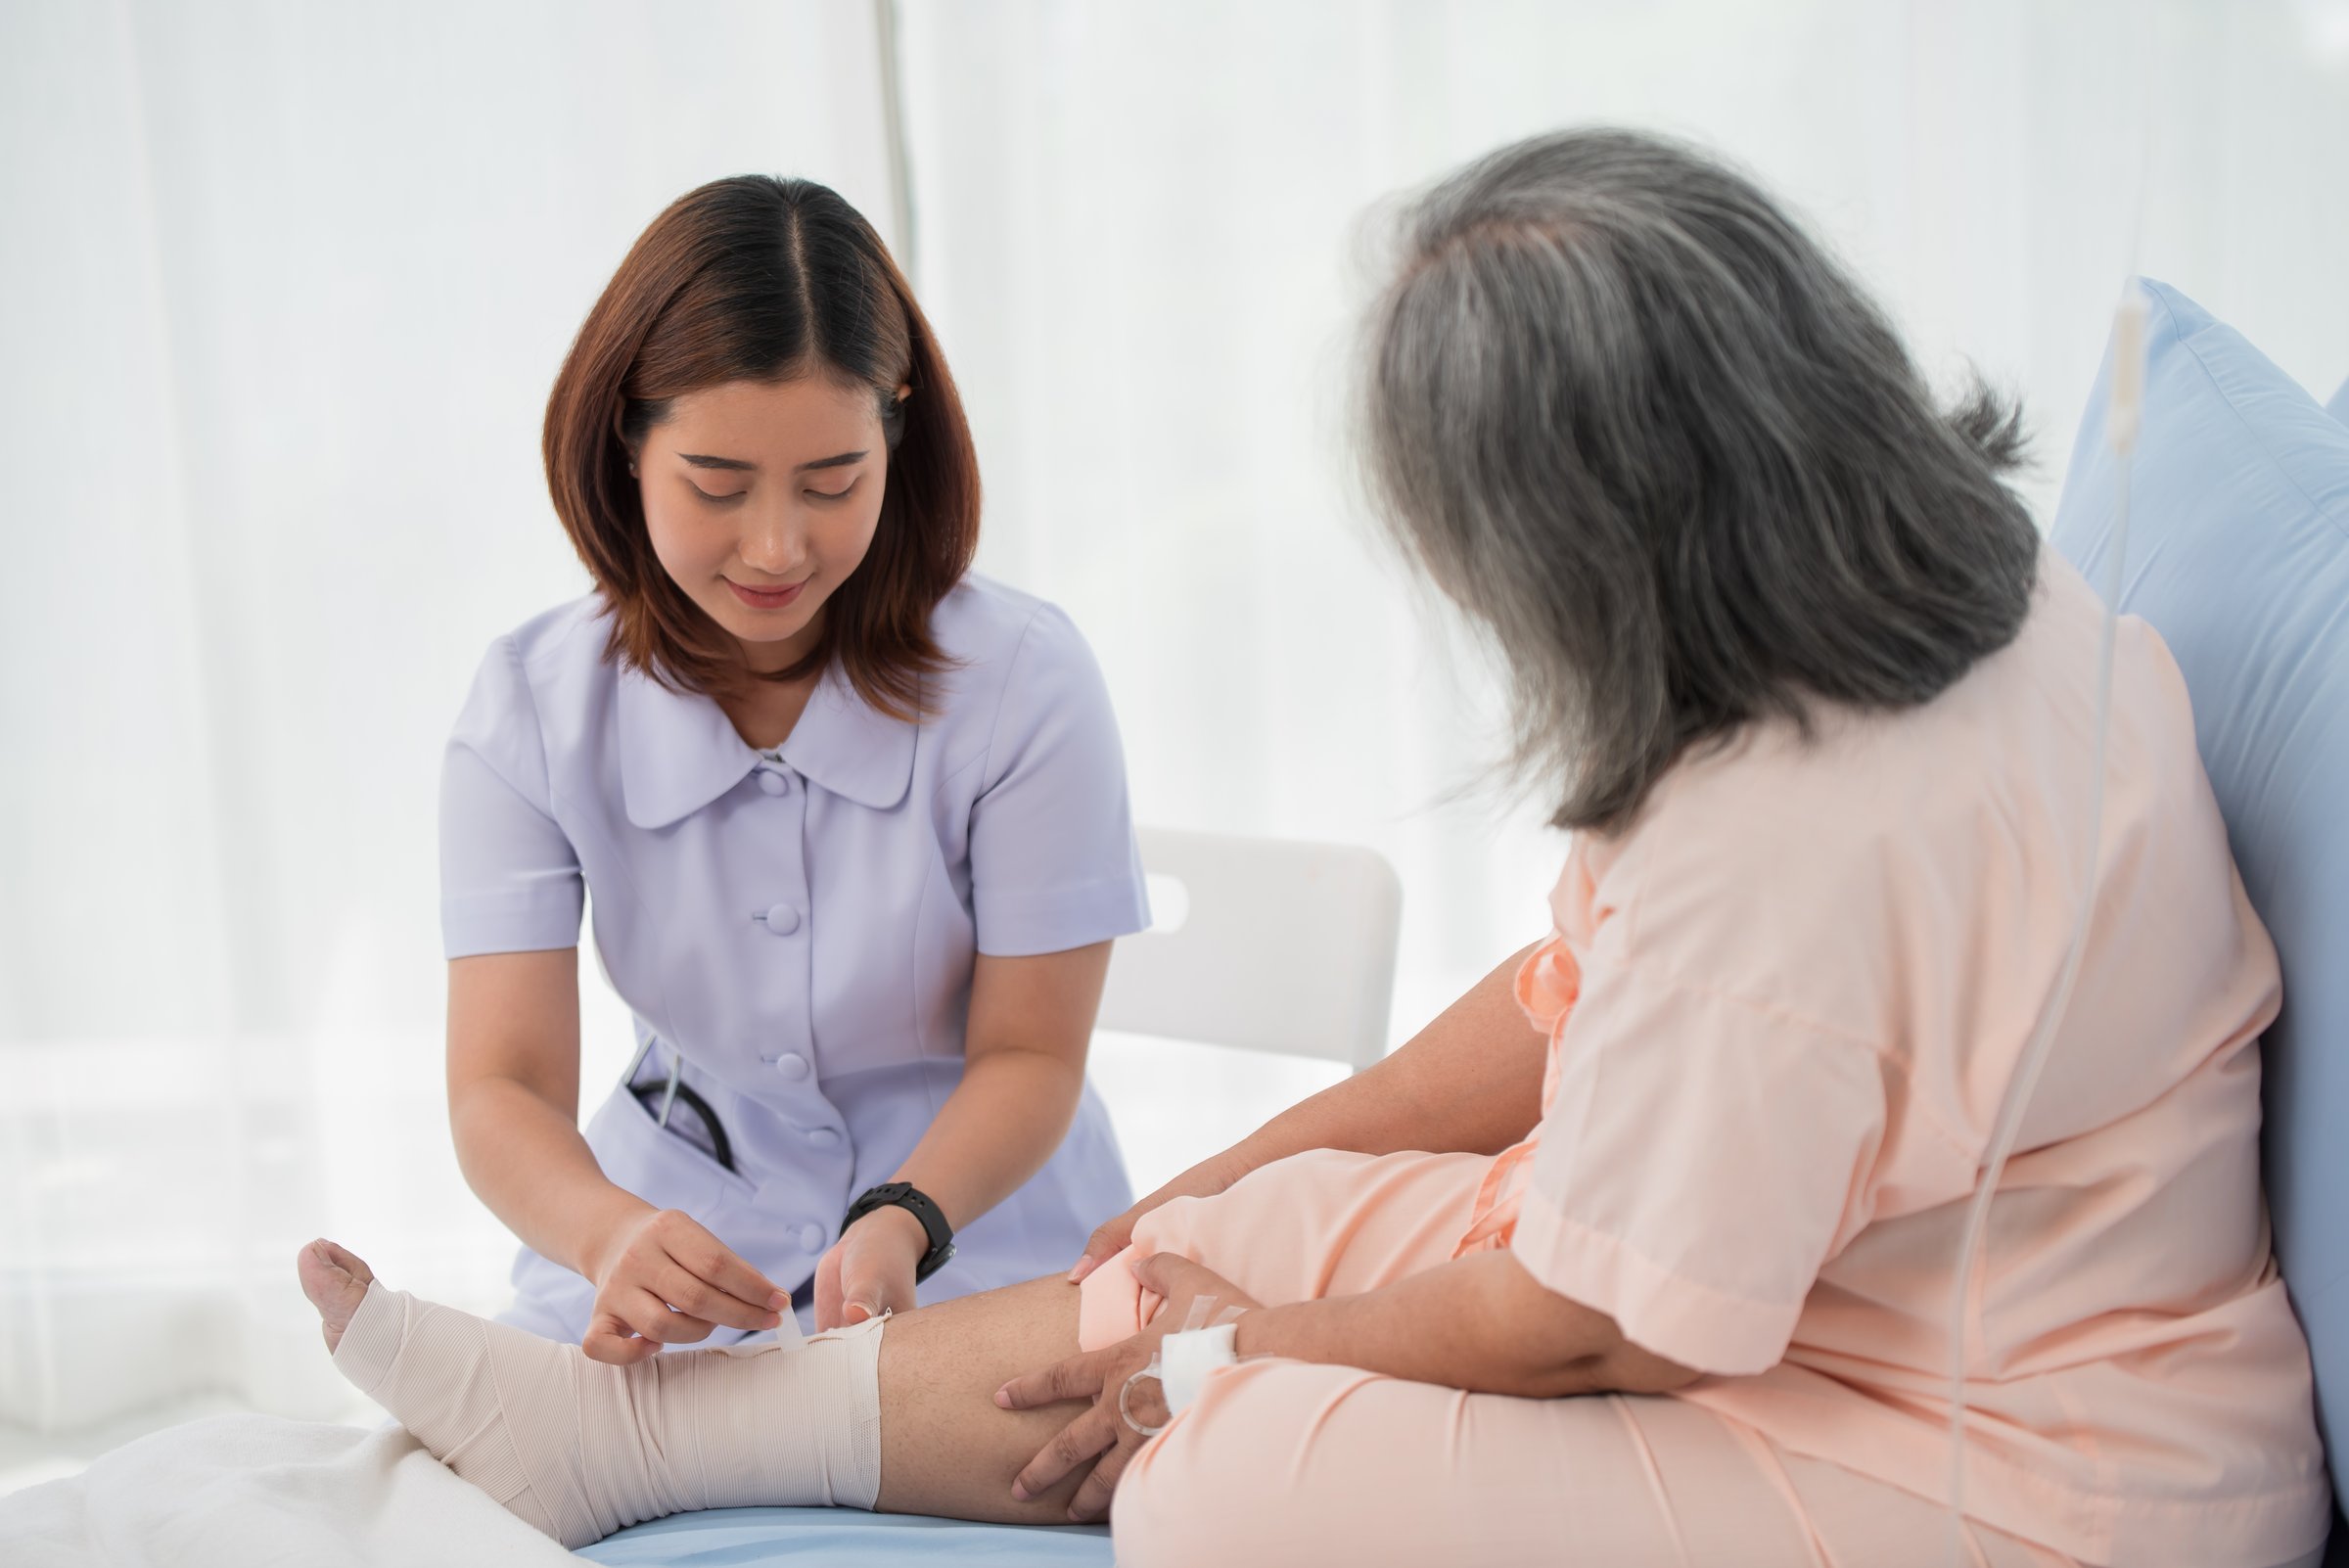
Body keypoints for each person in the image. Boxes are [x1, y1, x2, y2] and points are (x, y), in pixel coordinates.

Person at [299, 129, 2331, 1567]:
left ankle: (652, 1442)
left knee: (1222, 1475)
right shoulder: (1935, 601)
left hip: (2012, 1459)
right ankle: (627, 1446)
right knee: (1225, 1252)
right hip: (1829, 1271)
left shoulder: (1782, 856)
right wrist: (1229, 1201)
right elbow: (1565, 1004)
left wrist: (1225, 1349)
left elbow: (1604, 1320)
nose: (774, 541)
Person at [440, 173, 1151, 1361]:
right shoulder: (532, 709)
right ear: (625, 440)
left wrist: (907, 1219)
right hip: (663, 1251)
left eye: (834, 484)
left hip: (982, 1238)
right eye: (716, 486)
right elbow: (499, 1089)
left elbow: (1032, 1052)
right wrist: (606, 1234)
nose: (777, 548)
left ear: (897, 431)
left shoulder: (1024, 679)